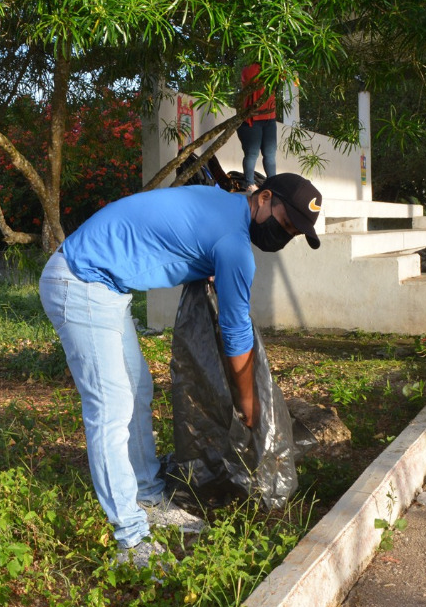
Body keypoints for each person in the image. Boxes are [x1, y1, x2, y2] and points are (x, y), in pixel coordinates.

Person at [39, 173, 322, 568]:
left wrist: (201, 265)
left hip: (104, 285)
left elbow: (180, 239)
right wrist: (249, 406)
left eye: (294, 231)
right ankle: (131, 539)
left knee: (138, 391)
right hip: (81, 281)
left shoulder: (222, 206)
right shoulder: (234, 245)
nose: (285, 233)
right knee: (111, 408)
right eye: (286, 221)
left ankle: (147, 495)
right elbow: (236, 334)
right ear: (264, 198)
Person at [236, 62, 278, 190]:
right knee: (252, 154)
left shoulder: (274, 65)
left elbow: (286, 76)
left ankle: (273, 183)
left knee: (270, 155)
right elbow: (248, 77)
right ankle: (250, 184)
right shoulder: (250, 67)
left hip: (269, 118)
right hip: (251, 119)